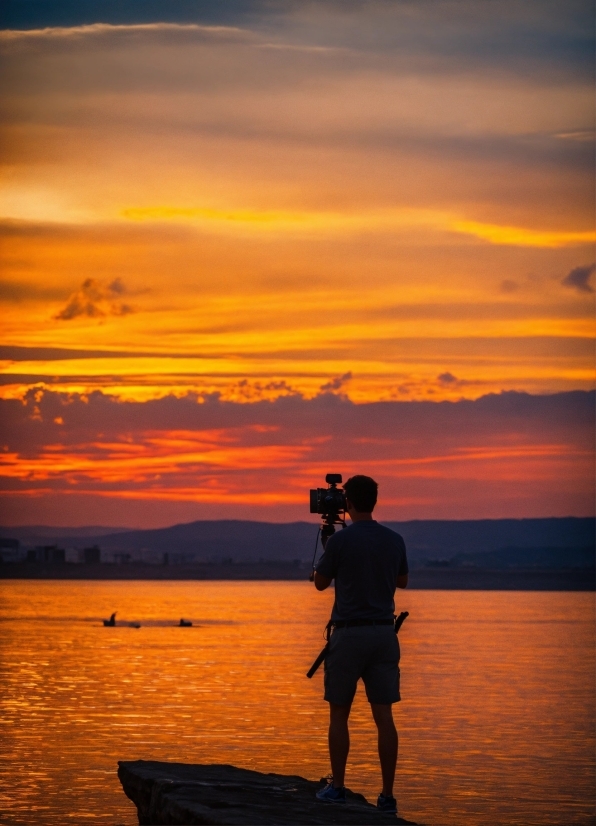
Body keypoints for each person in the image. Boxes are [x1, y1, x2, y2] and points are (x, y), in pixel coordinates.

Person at [312, 474, 409, 816]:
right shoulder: (394, 539)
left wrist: (329, 549)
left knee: (340, 712)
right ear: (375, 501)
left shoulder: (340, 542)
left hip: (349, 634)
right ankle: (387, 797)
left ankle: (337, 788)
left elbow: (320, 584)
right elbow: (403, 580)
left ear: (347, 503)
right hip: (384, 634)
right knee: (384, 715)